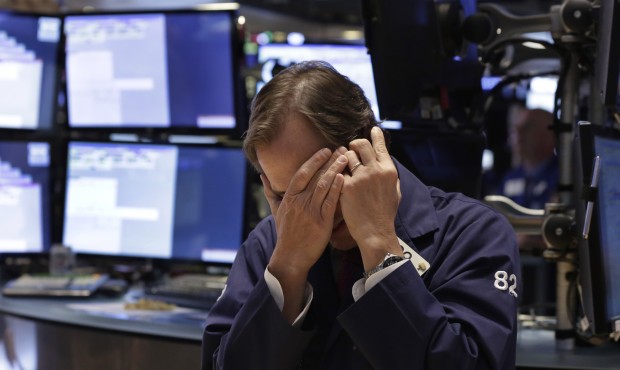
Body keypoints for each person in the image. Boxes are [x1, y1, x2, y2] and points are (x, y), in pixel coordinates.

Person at [202, 61, 520, 370]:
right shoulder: (269, 242)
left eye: (321, 185)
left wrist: (379, 247)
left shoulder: (475, 233)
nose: (312, 213)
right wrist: (288, 265)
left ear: (370, 147)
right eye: (286, 196)